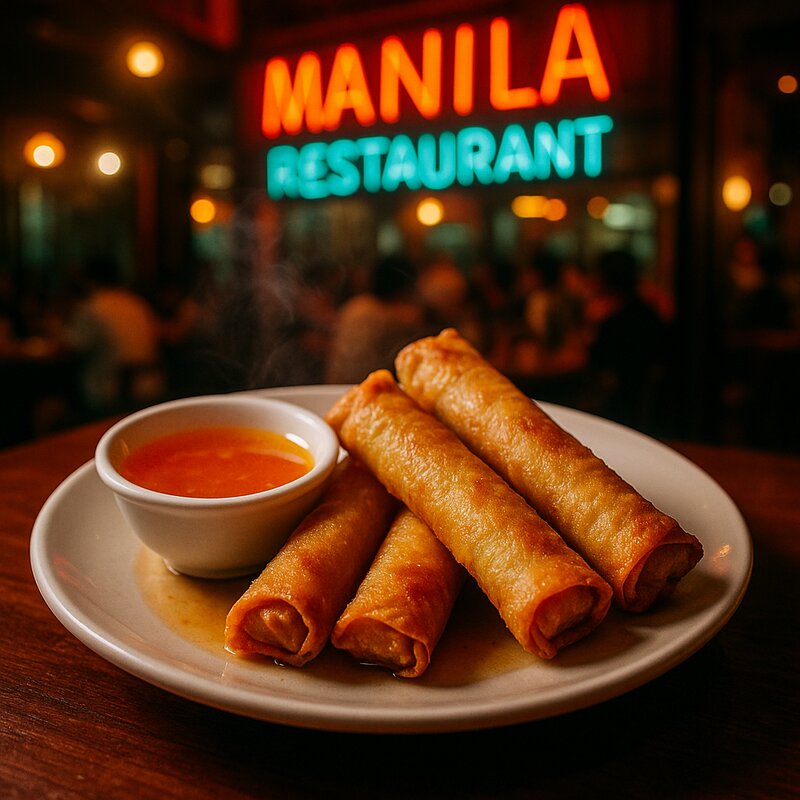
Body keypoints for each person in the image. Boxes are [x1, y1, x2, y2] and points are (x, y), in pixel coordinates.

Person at [64, 255, 163, 415]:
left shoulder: (92, 307)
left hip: (111, 390)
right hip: (151, 386)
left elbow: (73, 346)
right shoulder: (137, 303)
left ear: (89, 280)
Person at [586, 249, 668, 428]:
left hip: (616, 409)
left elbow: (596, 363)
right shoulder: (648, 312)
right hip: (646, 405)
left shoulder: (613, 321)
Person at [325, 254, 426, 384]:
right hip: (365, 389)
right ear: (404, 287)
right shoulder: (392, 316)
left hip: (333, 385)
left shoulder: (355, 305)